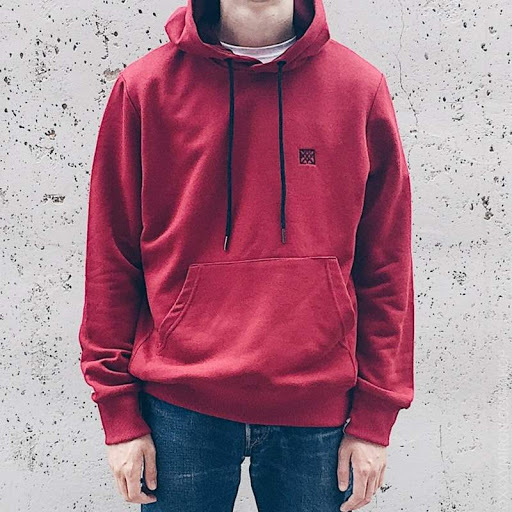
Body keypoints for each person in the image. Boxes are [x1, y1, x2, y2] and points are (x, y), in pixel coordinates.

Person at [78, 0, 415, 510]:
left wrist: (375, 416)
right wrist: (118, 412)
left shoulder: (358, 88)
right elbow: (111, 253)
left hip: (317, 408)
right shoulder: (145, 88)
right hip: (179, 405)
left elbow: (386, 262)